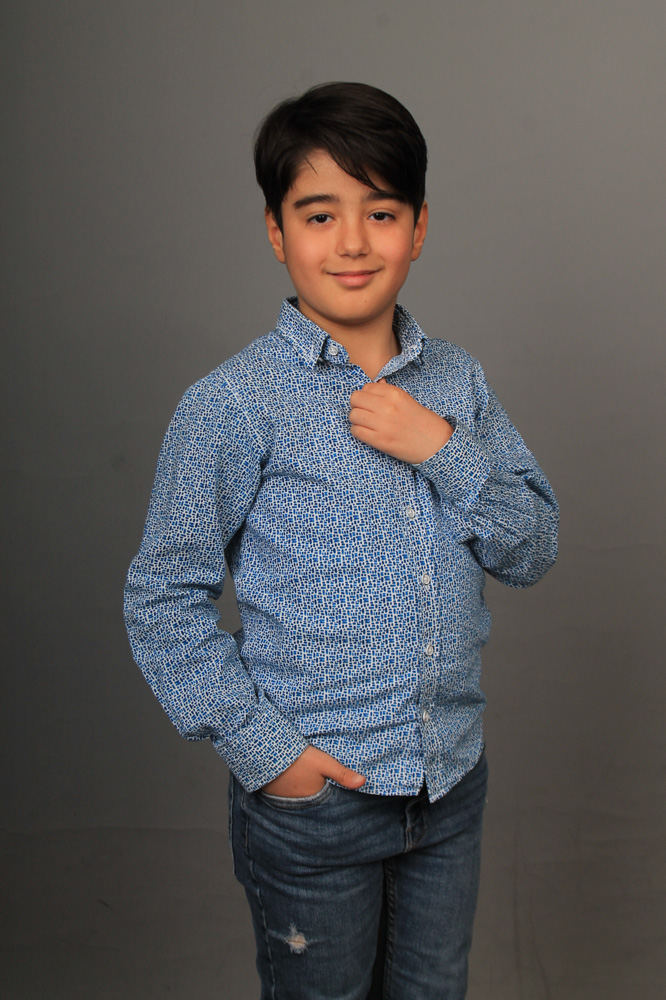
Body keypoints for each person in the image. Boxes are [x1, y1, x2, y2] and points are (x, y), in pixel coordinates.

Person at [124, 82, 558, 1000]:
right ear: (277, 232)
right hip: (316, 807)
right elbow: (162, 598)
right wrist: (271, 758)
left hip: (448, 789)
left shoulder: (458, 383)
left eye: (382, 212)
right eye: (320, 215)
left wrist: (443, 449)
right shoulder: (233, 403)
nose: (353, 242)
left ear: (420, 227)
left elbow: (531, 549)